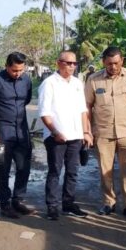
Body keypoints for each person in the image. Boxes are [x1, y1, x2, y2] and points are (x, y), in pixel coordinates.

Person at [85, 47, 126, 220]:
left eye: (116, 63)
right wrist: (88, 130)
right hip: (103, 132)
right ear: (103, 62)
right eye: (110, 63)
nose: (113, 67)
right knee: (106, 171)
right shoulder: (94, 79)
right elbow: (88, 107)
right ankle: (108, 203)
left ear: (122, 61)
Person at [39, 50, 93, 220]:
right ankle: (52, 206)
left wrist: (86, 132)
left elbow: (83, 111)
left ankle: (68, 204)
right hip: (57, 137)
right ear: (58, 63)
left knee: (73, 172)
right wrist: (55, 132)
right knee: (55, 171)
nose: (72, 66)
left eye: (74, 63)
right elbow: (44, 113)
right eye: (68, 63)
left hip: (76, 136)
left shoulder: (77, 83)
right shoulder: (49, 84)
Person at [0, 52, 34, 219]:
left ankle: (17, 200)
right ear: (7, 66)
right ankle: (5, 205)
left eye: (20, 70)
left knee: (23, 167)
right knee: (3, 170)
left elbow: (25, 100)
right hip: (3, 133)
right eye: (14, 70)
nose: (17, 73)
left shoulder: (26, 80)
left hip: (22, 131)